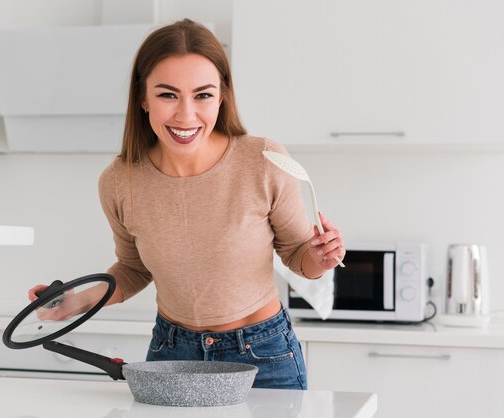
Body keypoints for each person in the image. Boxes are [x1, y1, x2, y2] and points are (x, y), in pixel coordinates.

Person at [29, 18, 344, 390]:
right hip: (171, 353)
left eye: (203, 95)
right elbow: (133, 269)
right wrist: (74, 303)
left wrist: (320, 258)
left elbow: (296, 255)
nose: (186, 114)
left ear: (222, 96)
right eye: (167, 95)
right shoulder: (118, 180)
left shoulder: (264, 160)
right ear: (143, 98)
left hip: (262, 354)